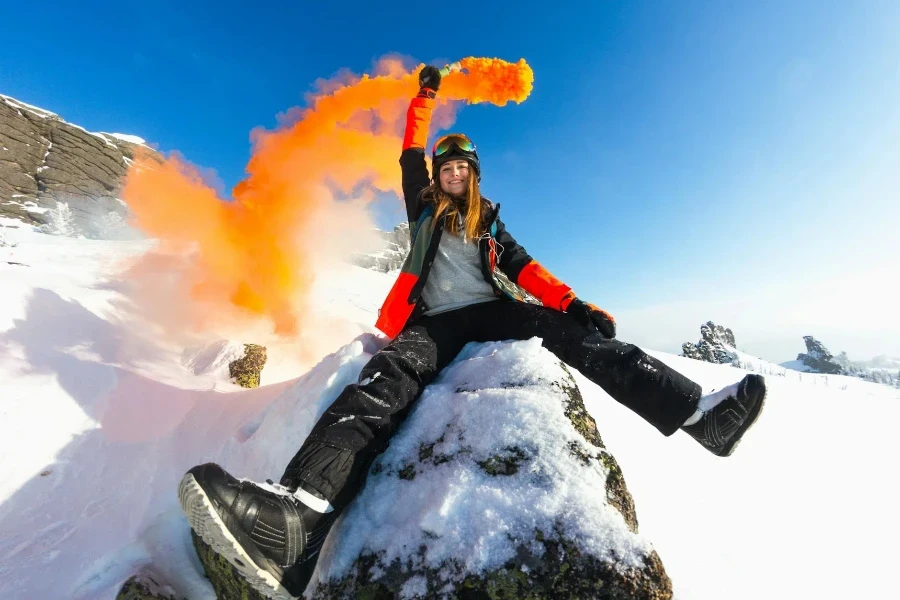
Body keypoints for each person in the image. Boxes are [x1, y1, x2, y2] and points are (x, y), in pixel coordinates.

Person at [177, 65, 767, 599]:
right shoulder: (423, 204)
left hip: (493, 311)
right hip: (434, 321)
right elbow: (410, 150)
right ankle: (296, 520)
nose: (453, 174)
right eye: (447, 167)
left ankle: (699, 417)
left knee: (574, 337)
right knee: (388, 378)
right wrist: (425, 97)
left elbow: (524, 268)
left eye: (462, 167)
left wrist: (573, 302)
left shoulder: (489, 222)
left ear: (474, 174)